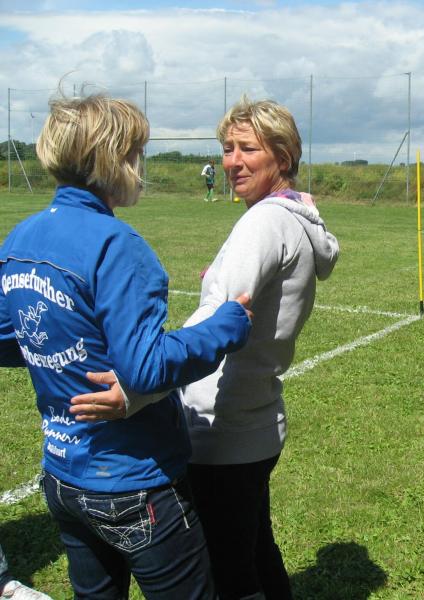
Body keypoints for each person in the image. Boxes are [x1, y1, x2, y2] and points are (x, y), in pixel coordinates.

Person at [74, 98, 339, 600]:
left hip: (223, 427)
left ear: (282, 157)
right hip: (256, 419)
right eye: (227, 148)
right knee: (256, 554)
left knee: (228, 574)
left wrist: (136, 391)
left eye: (248, 149)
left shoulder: (264, 223)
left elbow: (217, 320)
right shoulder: (295, 218)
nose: (233, 161)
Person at [0, 94, 252, 599]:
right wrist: (227, 324)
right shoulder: (117, 245)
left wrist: (61, 344)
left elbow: (10, 343)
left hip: (63, 478)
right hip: (135, 483)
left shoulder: (21, 238)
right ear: (114, 159)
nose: (142, 166)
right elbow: (144, 369)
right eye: (138, 153)